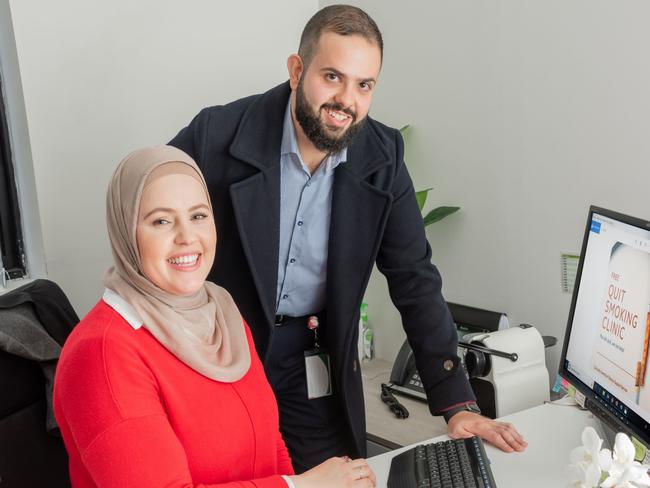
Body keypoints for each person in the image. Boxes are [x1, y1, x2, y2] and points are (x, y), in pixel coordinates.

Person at [169, 4, 527, 472]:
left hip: (310, 354)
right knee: (228, 473)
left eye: (364, 85)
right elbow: (150, 224)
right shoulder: (217, 134)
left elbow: (414, 277)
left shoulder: (382, 155)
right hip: (222, 347)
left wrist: (456, 402)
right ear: (297, 71)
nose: (346, 100)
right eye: (332, 77)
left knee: (341, 476)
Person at [53, 145, 376, 487]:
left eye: (198, 215)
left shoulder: (221, 311)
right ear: (126, 232)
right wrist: (303, 486)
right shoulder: (101, 354)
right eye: (161, 221)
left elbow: (271, 443)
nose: (187, 237)